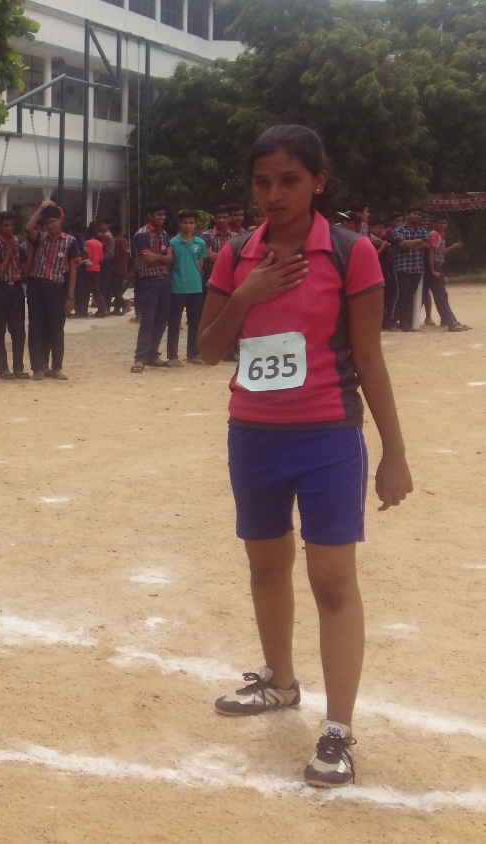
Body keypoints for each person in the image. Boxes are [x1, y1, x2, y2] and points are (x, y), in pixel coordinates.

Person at [197, 124, 412, 789]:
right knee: (266, 567)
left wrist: (394, 453)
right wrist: (248, 293)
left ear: (319, 181)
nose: (273, 194)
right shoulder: (236, 254)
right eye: (262, 182)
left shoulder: (351, 254)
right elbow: (208, 349)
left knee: (332, 579)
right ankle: (280, 682)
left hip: (326, 435)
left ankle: (338, 731)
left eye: (289, 180)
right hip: (253, 433)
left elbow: (369, 357)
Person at [22, 201, 80, 380]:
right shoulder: (40, 238)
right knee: (36, 327)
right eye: (47, 222)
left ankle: (56, 367)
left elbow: (73, 271)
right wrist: (39, 208)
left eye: (53, 221)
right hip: (37, 286)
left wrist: (70, 296)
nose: (50, 225)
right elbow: (28, 228)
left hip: (56, 288)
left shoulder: (70, 242)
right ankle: (38, 367)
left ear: (61, 220)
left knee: (56, 328)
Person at [0, 211, 29, 379]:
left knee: (18, 330)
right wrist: (9, 251)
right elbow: (0, 272)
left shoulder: (17, 242)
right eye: (6, 226)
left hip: (16, 288)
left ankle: (18, 367)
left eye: (11, 225)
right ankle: (3, 368)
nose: (9, 228)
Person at [131, 203, 173, 372]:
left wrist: (159, 257)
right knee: (147, 319)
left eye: (164, 215)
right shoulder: (141, 235)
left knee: (162, 319)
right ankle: (140, 358)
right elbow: (147, 259)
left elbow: (170, 258)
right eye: (159, 215)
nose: (162, 218)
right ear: (150, 216)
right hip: (148, 281)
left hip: (163, 280)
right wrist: (162, 257)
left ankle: (152, 354)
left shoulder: (163, 234)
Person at [166, 209, 208, 366]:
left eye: (191, 222)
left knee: (195, 322)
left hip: (195, 287)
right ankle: (172, 356)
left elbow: (200, 264)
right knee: (175, 323)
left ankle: (192, 354)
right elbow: (170, 265)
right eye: (185, 222)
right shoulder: (172, 243)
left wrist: (197, 279)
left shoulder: (200, 243)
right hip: (177, 287)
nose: (188, 225)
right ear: (179, 224)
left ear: (195, 224)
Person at [387, 207, 430, 332]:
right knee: (400, 295)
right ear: (408, 214)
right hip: (402, 266)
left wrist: (409, 242)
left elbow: (427, 245)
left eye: (419, 214)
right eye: (414, 213)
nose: (417, 216)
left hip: (416, 267)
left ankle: (405, 323)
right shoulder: (399, 229)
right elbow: (401, 244)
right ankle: (392, 322)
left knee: (410, 296)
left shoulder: (421, 229)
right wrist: (419, 241)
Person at [424, 214, 469, 332]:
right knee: (440, 295)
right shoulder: (435, 235)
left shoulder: (441, 235)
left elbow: (440, 252)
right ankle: (450, 322)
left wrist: (451, 247)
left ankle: (446, 319)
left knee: (437, 294)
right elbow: (431, 252)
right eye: (440, 223)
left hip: (437, 265)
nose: (442, 225)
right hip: (434, 266)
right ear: (434, 224)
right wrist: (433, 269)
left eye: (444, 223)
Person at [79, 220, 104, 317]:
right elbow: (101, 258)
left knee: (86, 290)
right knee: (96, 290)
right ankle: (102, 308)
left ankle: (84, 310)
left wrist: (82, 261)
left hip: (89, 268)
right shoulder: (99, 243)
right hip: (97, 268)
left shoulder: (87, 243)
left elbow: (87, 256)